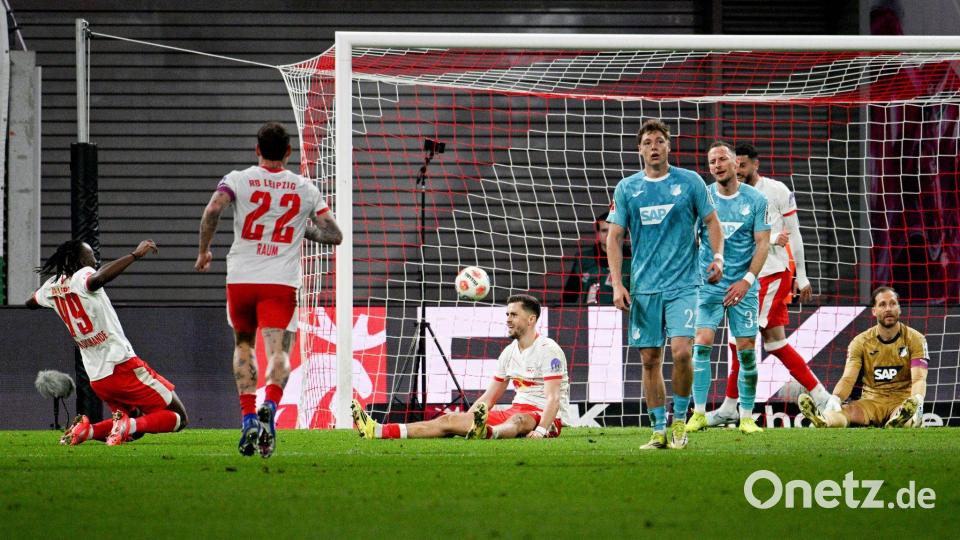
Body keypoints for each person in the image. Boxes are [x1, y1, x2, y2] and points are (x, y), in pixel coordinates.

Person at [196, 121, 343, 457]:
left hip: (242, 278)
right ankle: (270, 406)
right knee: (278, 352)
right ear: (289, 152)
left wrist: (204, 250)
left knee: (244, 346)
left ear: (257, 150)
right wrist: (303, 231)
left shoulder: (237, 179)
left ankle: (248, 416)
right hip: (280, 281)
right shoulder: (305, 188)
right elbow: (334, 235)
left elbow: (213, 209)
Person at [607, 119, 724, 450]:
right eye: (647, 142)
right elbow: (614, 238)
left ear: (669, 146)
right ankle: (658, 429)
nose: (654, 146)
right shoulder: (627, 188)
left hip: (684, 285)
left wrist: (718, 258)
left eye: (659, 140)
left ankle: (679, 422)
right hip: (645, 288)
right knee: (649, 360)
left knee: (683, 351)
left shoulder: (690, 182)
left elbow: (712, 222)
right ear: (639, 149)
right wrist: (618, 284)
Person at [703, 143, 837, 427]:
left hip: (770, 274)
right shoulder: (725, 197)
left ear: (754, 165)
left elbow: (795, 233)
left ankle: (729, 406)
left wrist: (802, 276)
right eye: (733, 164)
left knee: (741, 341)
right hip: (746, 276)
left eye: (741, 165)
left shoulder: (775, 191)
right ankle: (823, 397)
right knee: (776, 343)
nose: (736, 169)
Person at [26, 239, 188, 446]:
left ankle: (87, 431)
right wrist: (135, 255)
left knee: (134, 426)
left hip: (98, 377)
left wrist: (57, 297)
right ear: (79, 261)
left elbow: (30, 303)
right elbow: (97, 278)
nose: (95, 260)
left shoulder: (50, 287)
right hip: (121, 364)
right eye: (90, 255)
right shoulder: (82, 276)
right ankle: (126, 425)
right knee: (178, 416)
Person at [351, 294, 570, 440]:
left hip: (545, 417)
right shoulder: (509, 352)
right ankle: (379, 430)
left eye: (514, 315)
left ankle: (490, 433)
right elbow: (489, 397)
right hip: (517, 409)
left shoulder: (548, 349)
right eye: (507, 315)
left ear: (531, 319)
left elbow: (553, 399)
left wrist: (541, 430)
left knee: (519, 420)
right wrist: (467, 420)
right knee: (448, 420)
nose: (508, 319)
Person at [684, 142, 771, 434]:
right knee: (701, 343)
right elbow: (689, 239)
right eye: (711, 162)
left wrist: (747, 280)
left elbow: (762, 244)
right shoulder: (703, 197)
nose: (717, 165)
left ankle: (746, 416)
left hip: (742, 286)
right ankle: (698, 413)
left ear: (736, 164)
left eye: (722, 159)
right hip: (707, 284)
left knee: (746, 350)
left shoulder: (756, 200)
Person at [798, 286, 928, 428]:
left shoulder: (915, 339)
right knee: (846, 411)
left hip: (902, 401)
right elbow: (848, 379)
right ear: (874, 311)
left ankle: (902, 420)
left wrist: (918, 400)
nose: (888, 308)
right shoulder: (860, 342)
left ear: (899, 308)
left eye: (893, 303)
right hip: (871, 402)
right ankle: (824, 420)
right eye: (882, 304)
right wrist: (835, 399)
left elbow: (919, 379)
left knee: (905, 414)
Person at [561, 211, 631, 305]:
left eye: (613, 231)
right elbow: (568, 297)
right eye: (604, 231)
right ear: (598, 233)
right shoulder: (583, 259)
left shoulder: (634, 261)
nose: (609, 235)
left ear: (623, 233)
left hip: (623, 315)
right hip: (588, 316)